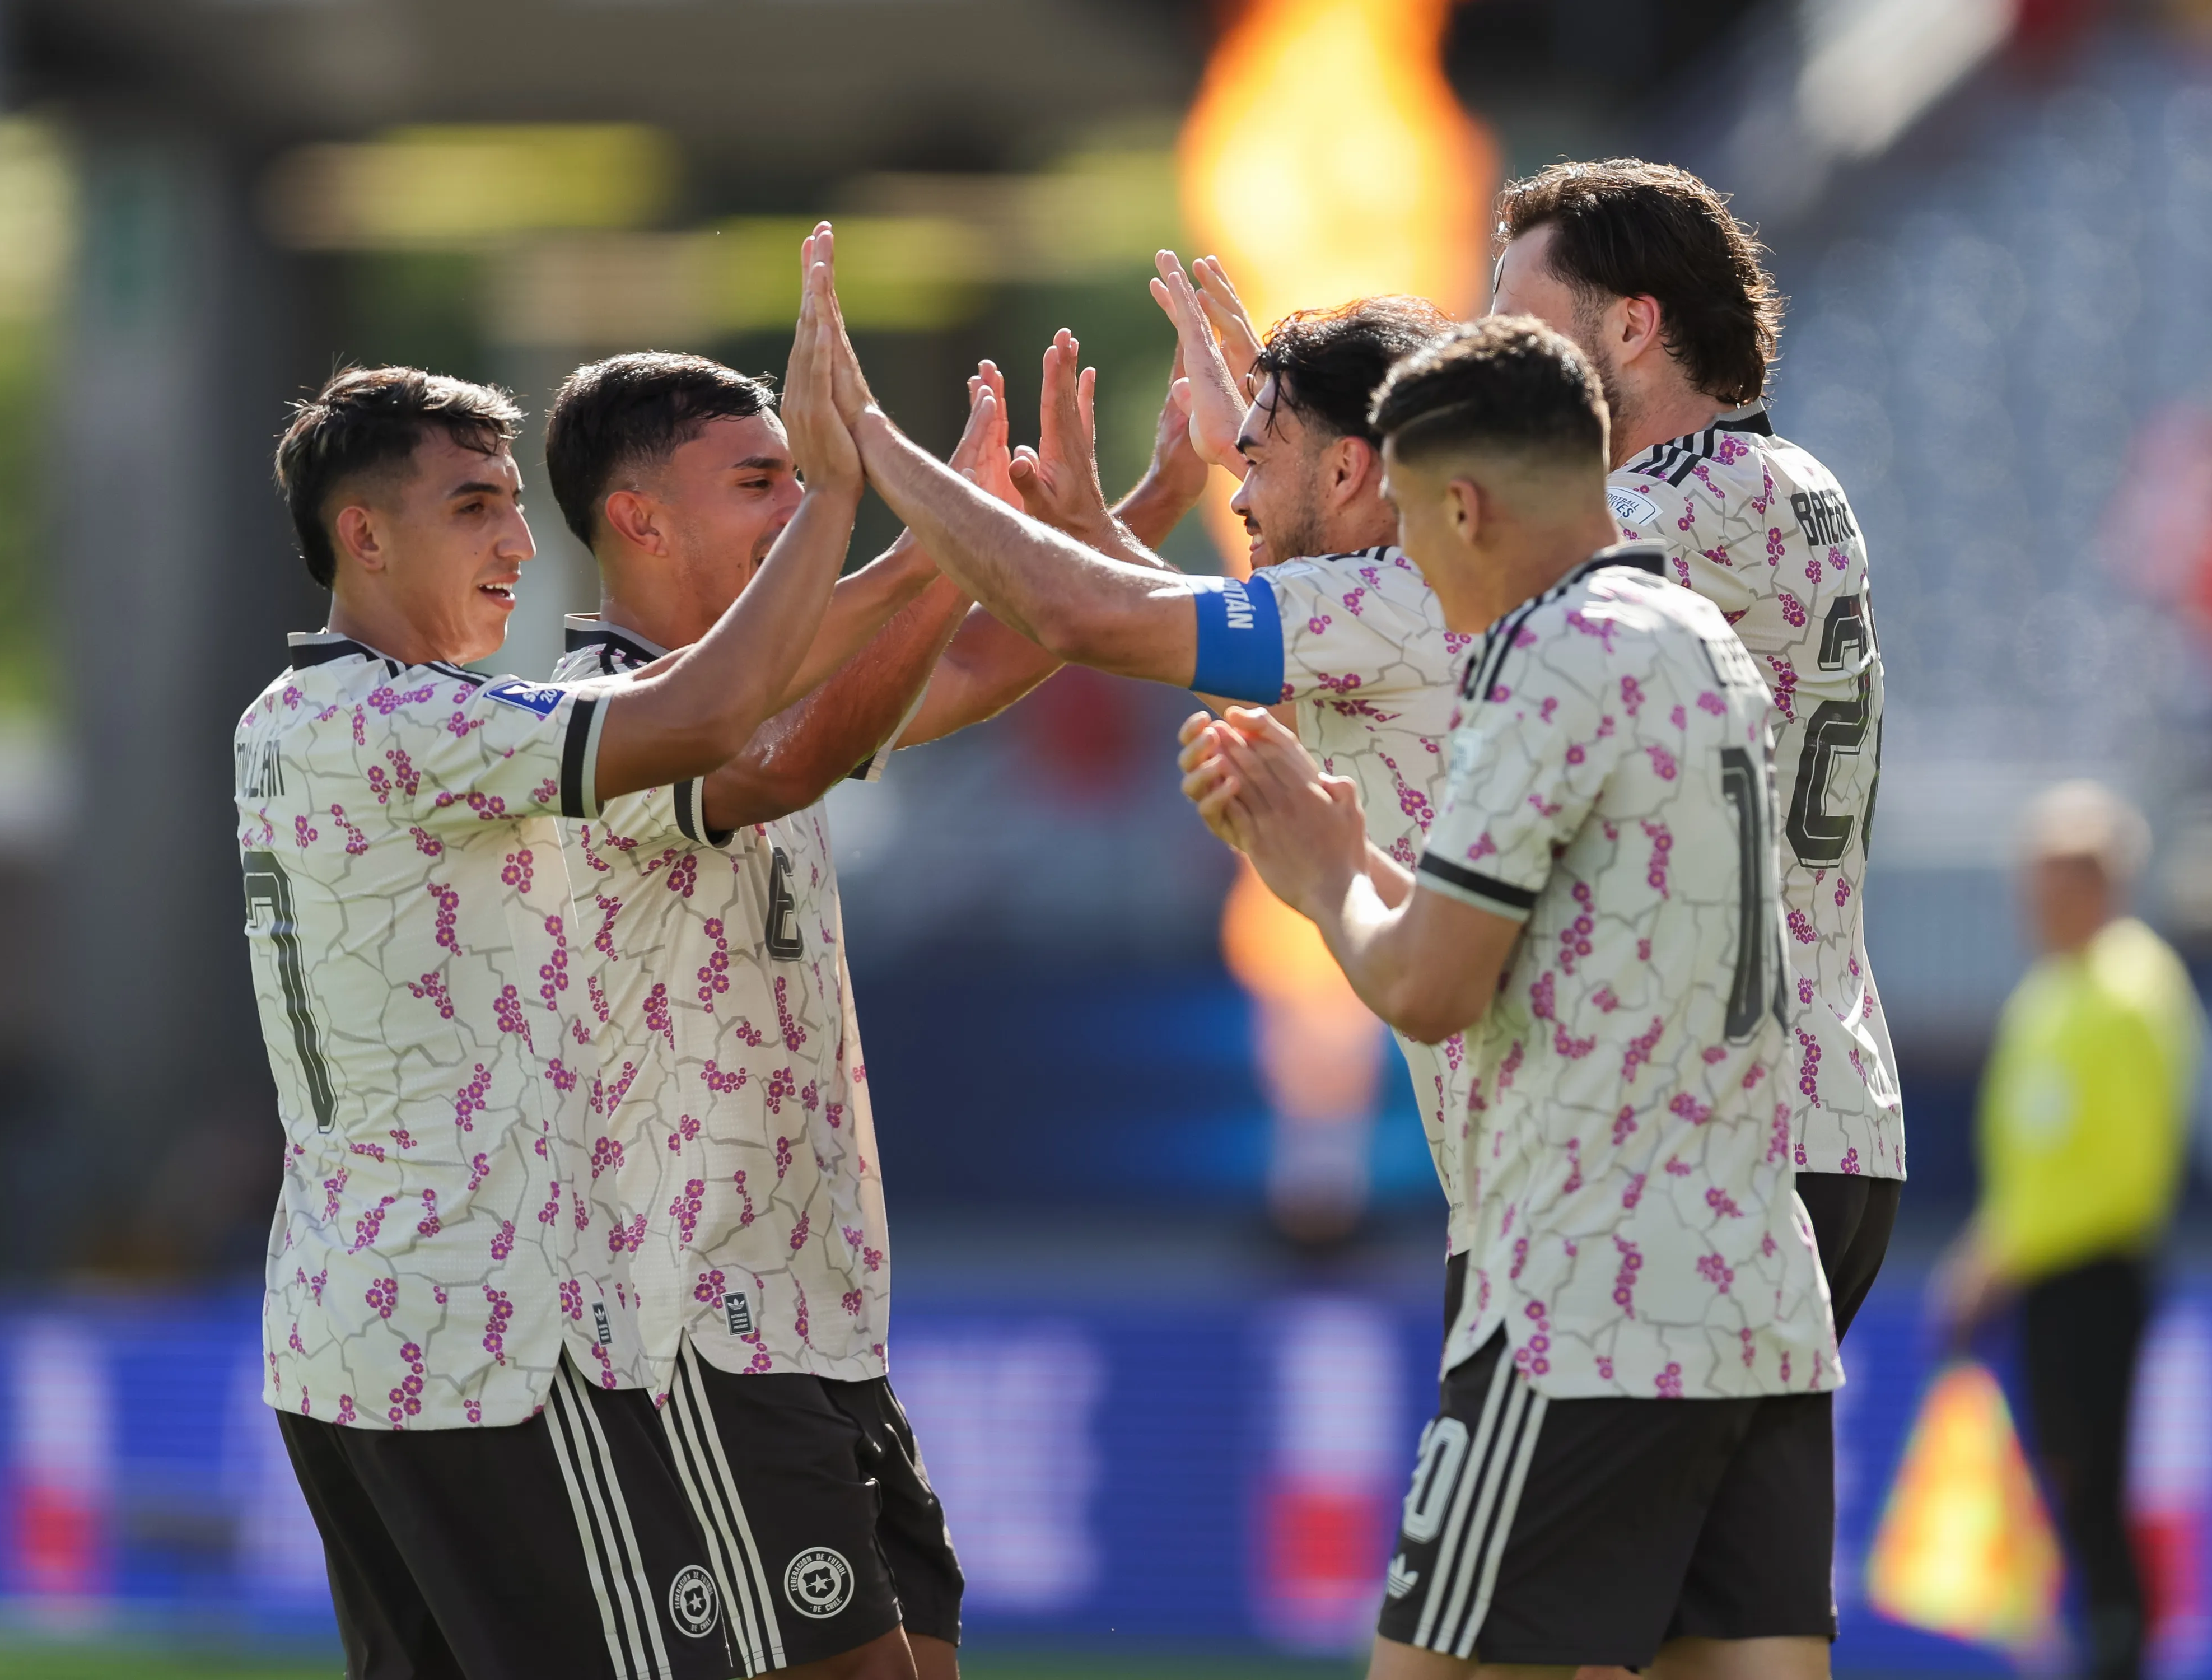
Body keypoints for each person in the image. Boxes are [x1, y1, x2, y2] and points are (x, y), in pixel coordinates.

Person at [237, 234, 854, 1680]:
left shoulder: (286, 720)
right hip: (491, 1342)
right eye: (473, 509)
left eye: (514, 505)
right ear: (362, 538)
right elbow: (711, 718)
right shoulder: (414, 727)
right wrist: (842, 493)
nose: (519, 543)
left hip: (344, 1335)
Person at [1189, 316, 1840, 1680]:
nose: (1409, 565)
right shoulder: (1695, 637)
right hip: (1753, 1286)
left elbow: (1427, 988)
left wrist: (1317, 878)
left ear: (1466, 505)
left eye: (1416, 521)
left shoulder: (1549, 658)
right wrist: (1340, 842)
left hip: (1585, 1299)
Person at [543, 344, 1082, 1680]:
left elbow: (969, 664)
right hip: (696, 1329)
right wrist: (946, 538)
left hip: (823, 1318)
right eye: (764, 481)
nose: (802, 511)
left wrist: (1108, 521)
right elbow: (790, 760)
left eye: (806, 479)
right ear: (640, 517)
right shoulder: (591, 721)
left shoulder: (777, 695)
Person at [797, 246, 1478, 1266]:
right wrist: (1096, 525)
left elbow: (1084, 618)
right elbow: (1183, 639)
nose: (1239, 500)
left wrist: (873, 443)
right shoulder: (1408, 599)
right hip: (1541, 1183)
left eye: (1259, 460)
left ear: (1349, 470)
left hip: (1569, 1212)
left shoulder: (1380, 597)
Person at [1488, 158, 1905, 1341]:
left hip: (1737, 1136)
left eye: (1522, 332)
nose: (1499, 367)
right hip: (1827, 1100)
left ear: (1632, 326)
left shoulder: (1696, 494)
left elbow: (1494, 578)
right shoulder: (1784, 481)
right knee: (1743, 1531)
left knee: (1587, 1528)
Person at [1933, 782, 2203, 1680]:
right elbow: (2032, 1162)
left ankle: (2121, 1656)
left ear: (2095, 880)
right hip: (2048, 1278)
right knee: (2068, 1479)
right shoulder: (2053, 994)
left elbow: (2125, 1175)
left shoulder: (2132, 992)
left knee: (2094, 1484)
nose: (2031, 895)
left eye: (2050, 875)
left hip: (2094, 1275)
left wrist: (2001, 1255)